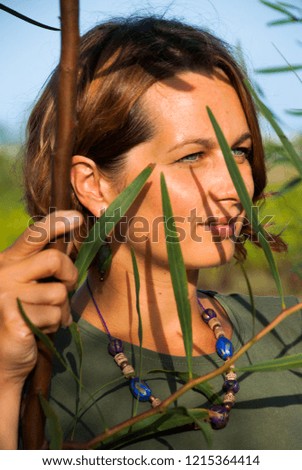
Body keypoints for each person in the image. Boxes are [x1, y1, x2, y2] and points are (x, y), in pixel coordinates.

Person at [0, 16, 301, 451]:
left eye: (240, 151)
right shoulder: (38, 368)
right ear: (93, 185)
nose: (235, 186)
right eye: (192, 156)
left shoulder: (290, 333)